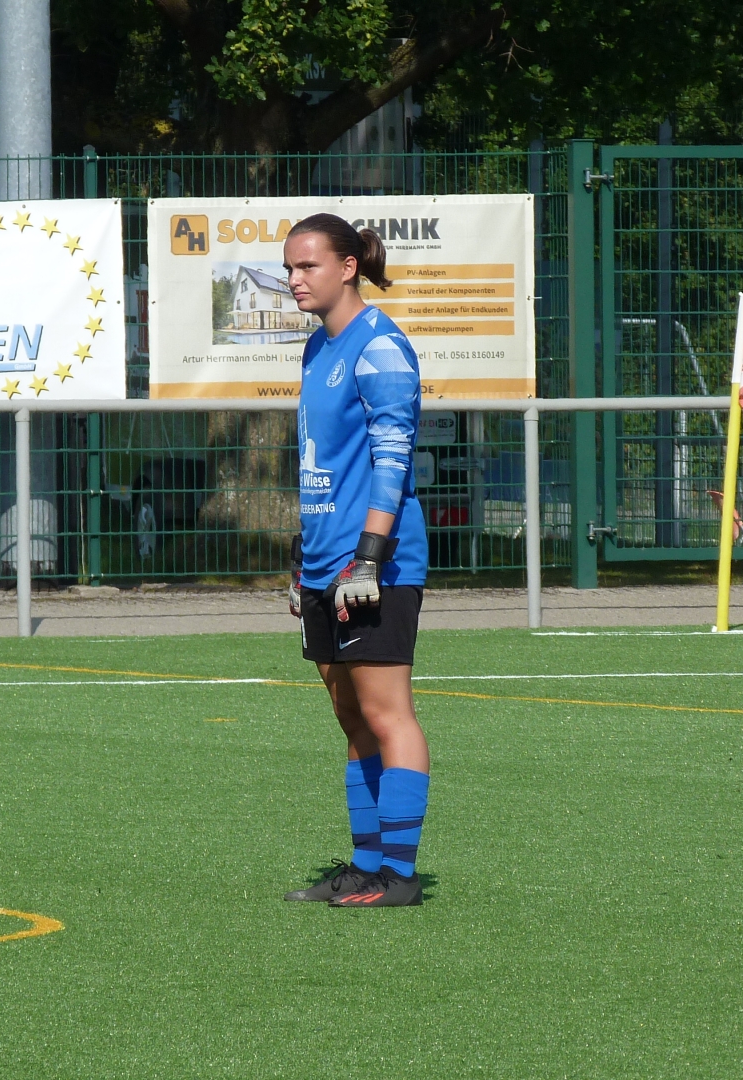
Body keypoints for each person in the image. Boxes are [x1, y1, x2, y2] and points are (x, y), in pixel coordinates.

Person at [279, 214, 429, 908]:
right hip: (323, 561)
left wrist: (367, 558)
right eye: (289, 267)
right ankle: (367, 865)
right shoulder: (318, 347)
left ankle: (399, 875)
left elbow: (393, 459)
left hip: (374, 564)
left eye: (307, 265)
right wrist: (303, 562)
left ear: (348, 267)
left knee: (387, 711)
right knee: (350, 715)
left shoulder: (381, 346)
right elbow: (323, 463)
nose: (294, 279)